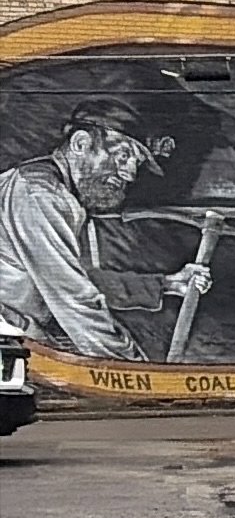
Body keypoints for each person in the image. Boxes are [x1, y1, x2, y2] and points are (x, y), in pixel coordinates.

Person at [0, 103, 216, 357]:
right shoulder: (38, 195)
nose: (130, 174)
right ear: (81, 144)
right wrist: (133, 367)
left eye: (136, 163)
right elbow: (74, 298)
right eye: (123, 156)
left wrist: (165, 284)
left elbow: (79, 280)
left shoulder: (57, 193)